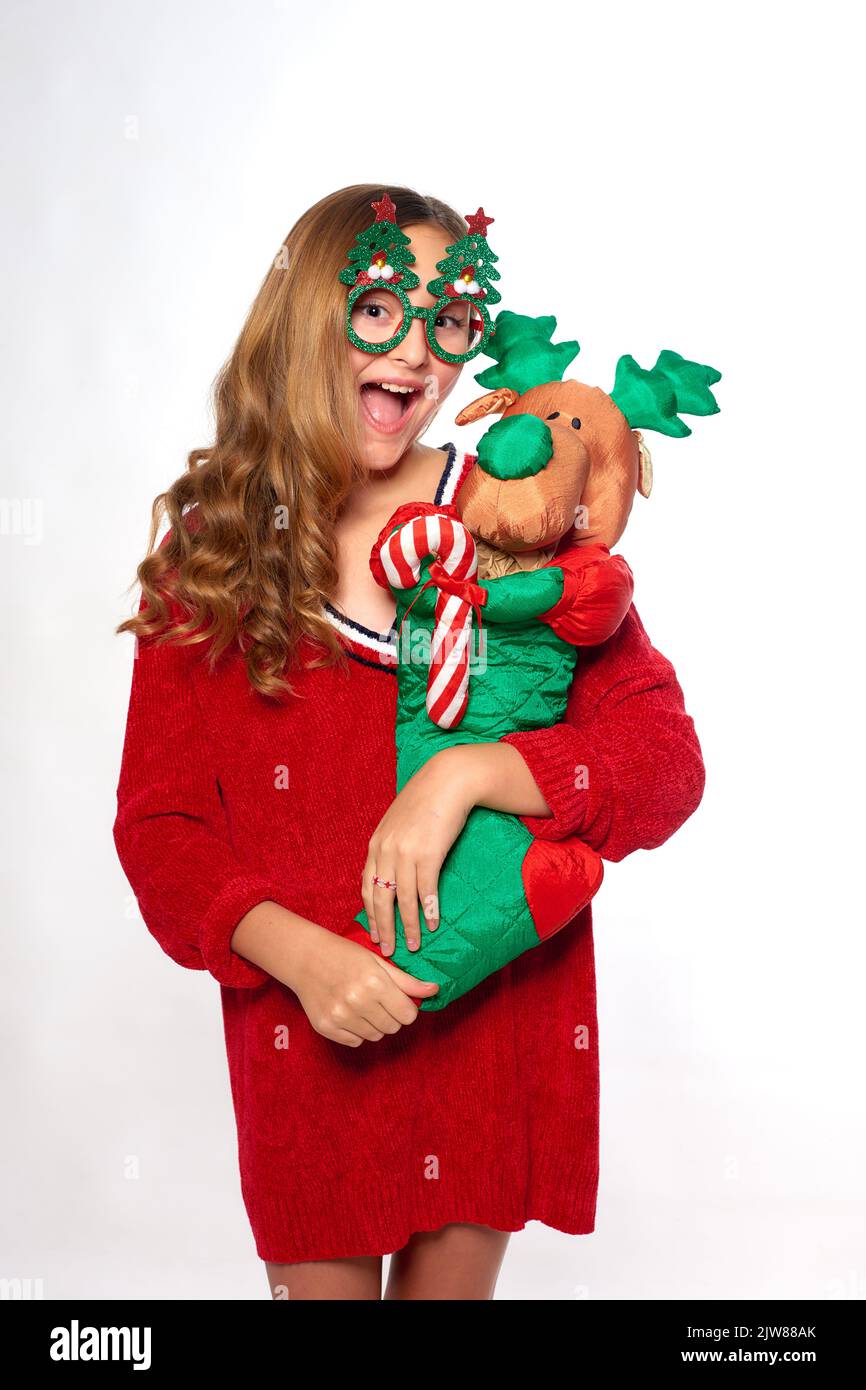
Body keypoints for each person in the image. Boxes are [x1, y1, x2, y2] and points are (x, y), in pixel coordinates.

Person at [113, 184, 705, 1300]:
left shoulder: (512, 523)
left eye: (452, 322)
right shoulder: (219, 550)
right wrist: (294, 950)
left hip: (489, 1033)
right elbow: (162, 826)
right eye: (383, 307)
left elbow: (665, 765)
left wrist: (468, 774)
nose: (420, 354)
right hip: (311, 1038)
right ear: (308, 319)